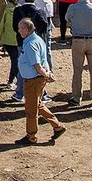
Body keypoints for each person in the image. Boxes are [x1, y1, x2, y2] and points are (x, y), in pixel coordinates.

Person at [15, 18, 66, 146]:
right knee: (37, 105)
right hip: (36, 79)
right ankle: (58, 126)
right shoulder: (36, 39)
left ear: (26, 30)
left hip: (33, 80)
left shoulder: (31, 44)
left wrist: (46, 75)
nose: (18, 31)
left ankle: (31, 136)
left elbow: (37, 65)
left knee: (31, 110)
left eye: (20, 28)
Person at [66, 0, 92, 107]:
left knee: (77, 70)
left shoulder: (73, 7)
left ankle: (77, 97)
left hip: (78, 40)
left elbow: (67, 19)